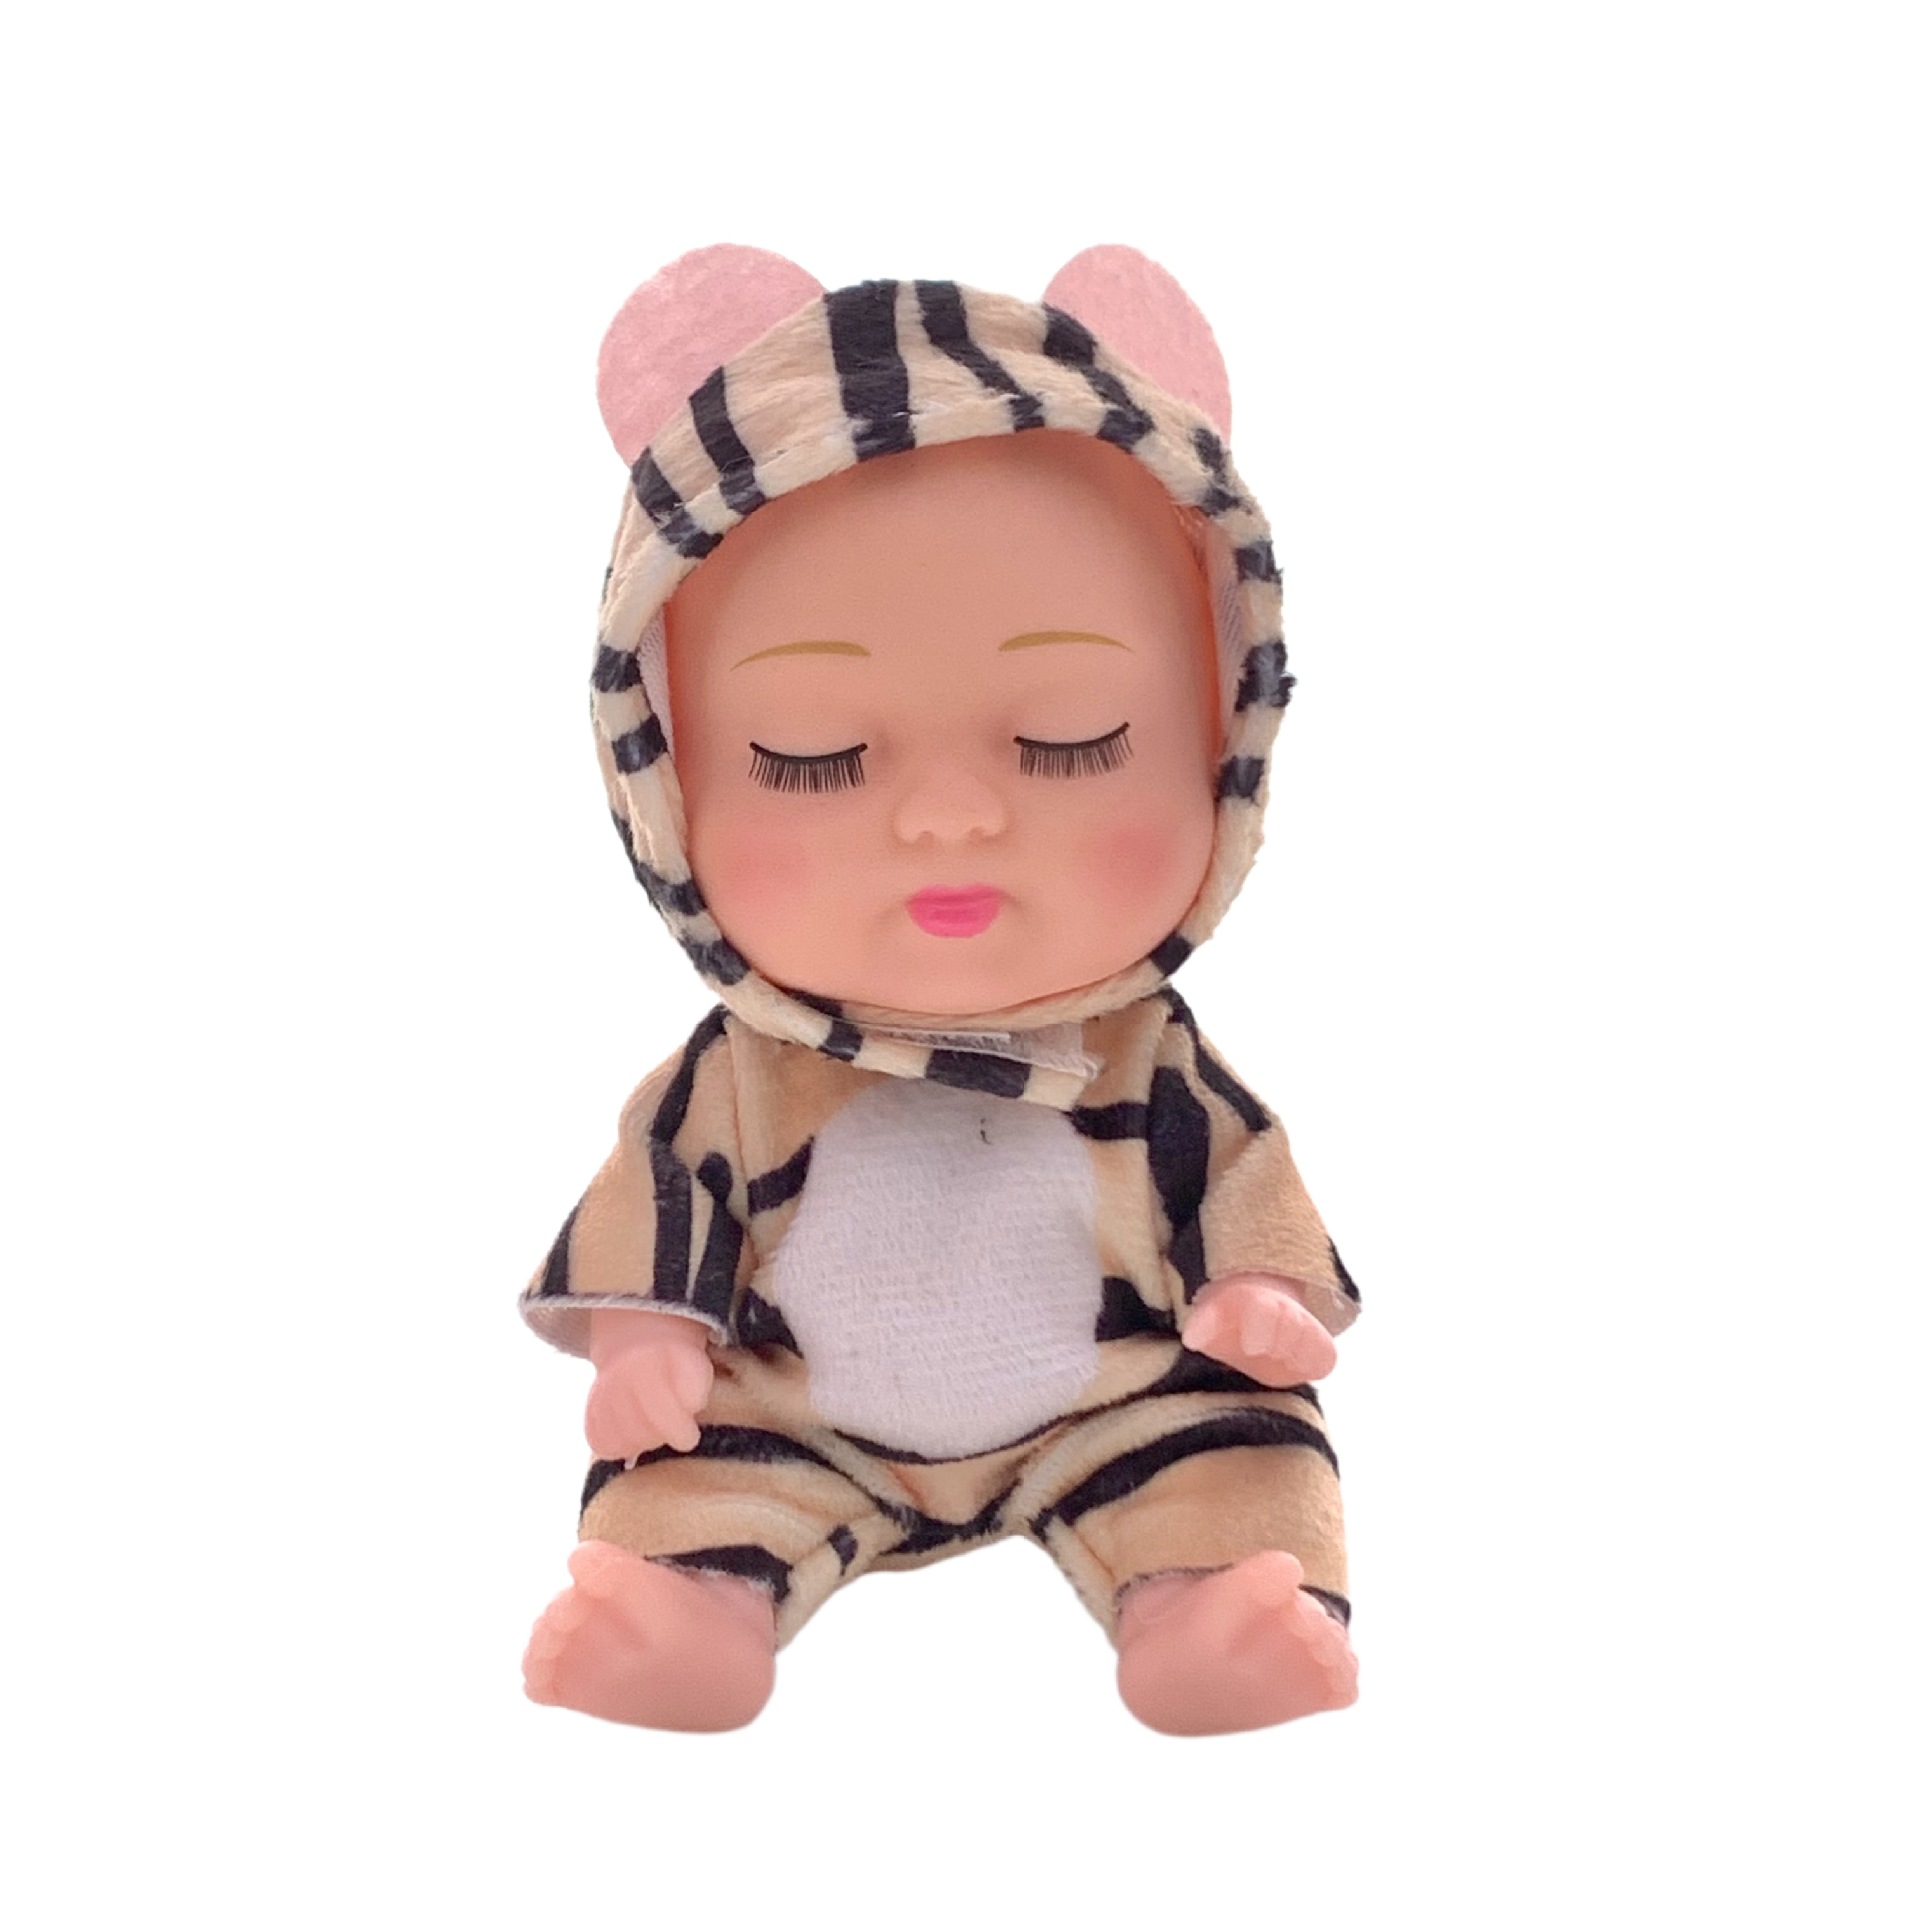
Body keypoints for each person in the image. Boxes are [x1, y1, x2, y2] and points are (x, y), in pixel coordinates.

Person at [518, 248, 1362, 1734]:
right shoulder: (743, 1072)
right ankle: (687, 1612)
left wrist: (1259, 1294)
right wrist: (647, 1339)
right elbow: (659, 1203)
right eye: (815, 756)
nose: (952, 818)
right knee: (688, 1472)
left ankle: (1208, 1608)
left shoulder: (1149, 1053)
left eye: (1072, 737)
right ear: (662, 774)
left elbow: (1246, 1183)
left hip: (1127, 1392)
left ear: (1221, 733)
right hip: (793, 1407)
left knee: (1244, 1447)